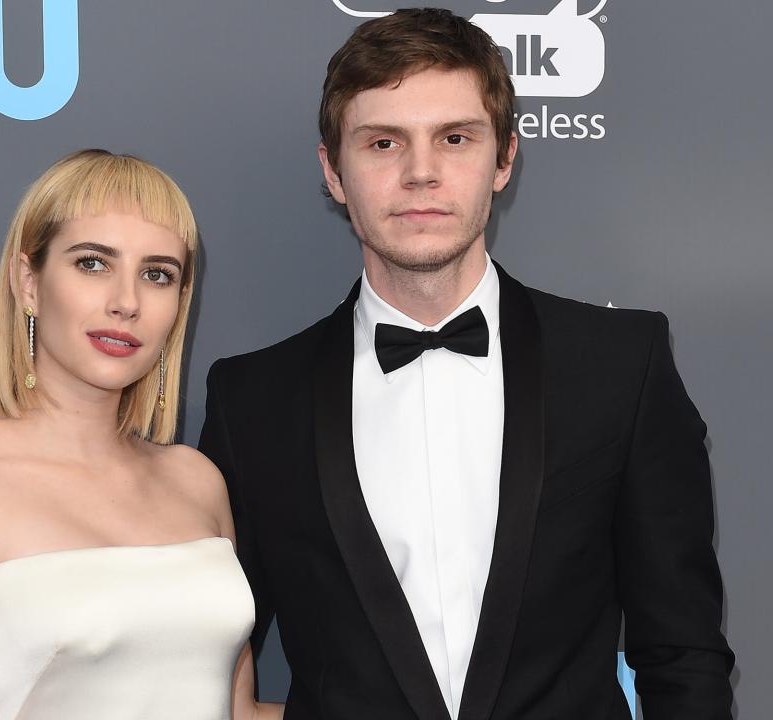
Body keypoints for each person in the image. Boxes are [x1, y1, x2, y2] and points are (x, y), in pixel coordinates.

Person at [198, 9, 734, 720]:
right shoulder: (253, 402)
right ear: (333, 171)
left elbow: (683, 656)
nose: (421, 173)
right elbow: (203, 664)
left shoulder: (620, 368)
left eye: (454, 138)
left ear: (505, 158)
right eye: (384, 142)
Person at [0, 149, 283, 720]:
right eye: (93, 263)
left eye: (157, 274)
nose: (126, 302)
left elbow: (239, 711)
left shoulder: (196, 480)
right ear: (28, 282)